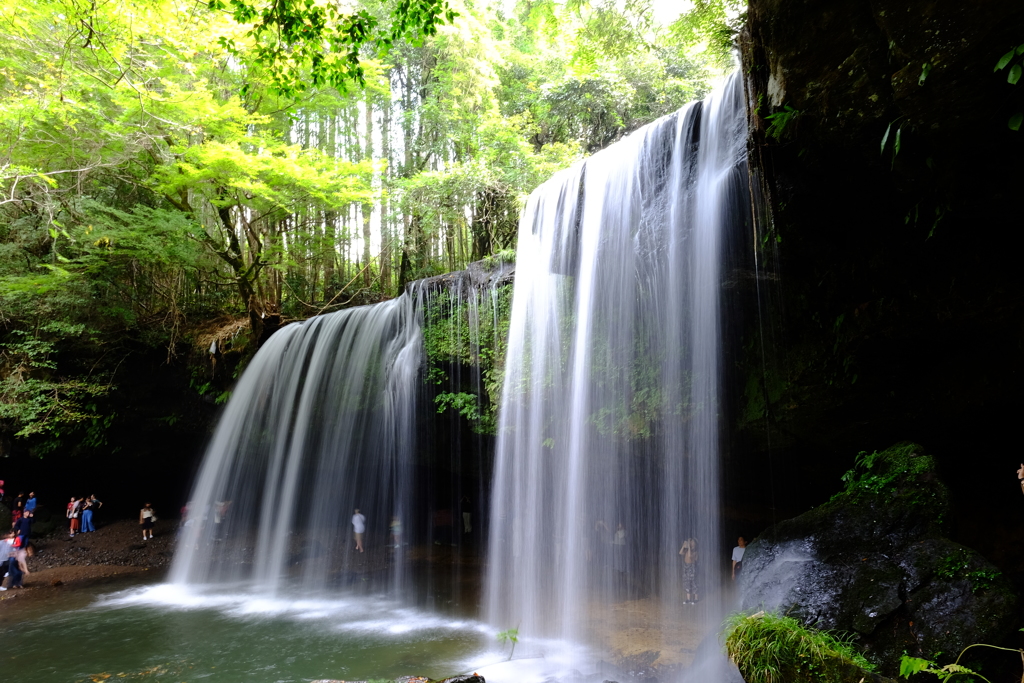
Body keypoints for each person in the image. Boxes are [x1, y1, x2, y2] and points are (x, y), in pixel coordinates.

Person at [679, 538, 699, 604]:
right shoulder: (687, 550)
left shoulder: (695, 551)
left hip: (692, 567)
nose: (691, 543)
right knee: (687, 582)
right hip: (686, 567)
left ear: (695, 544)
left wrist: (689, 548)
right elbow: (680, 552)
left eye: (692, 542)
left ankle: (696, 599)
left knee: (693, 582)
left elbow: (690, 556)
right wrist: (683, 546)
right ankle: (688, 599)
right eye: (690, 542)